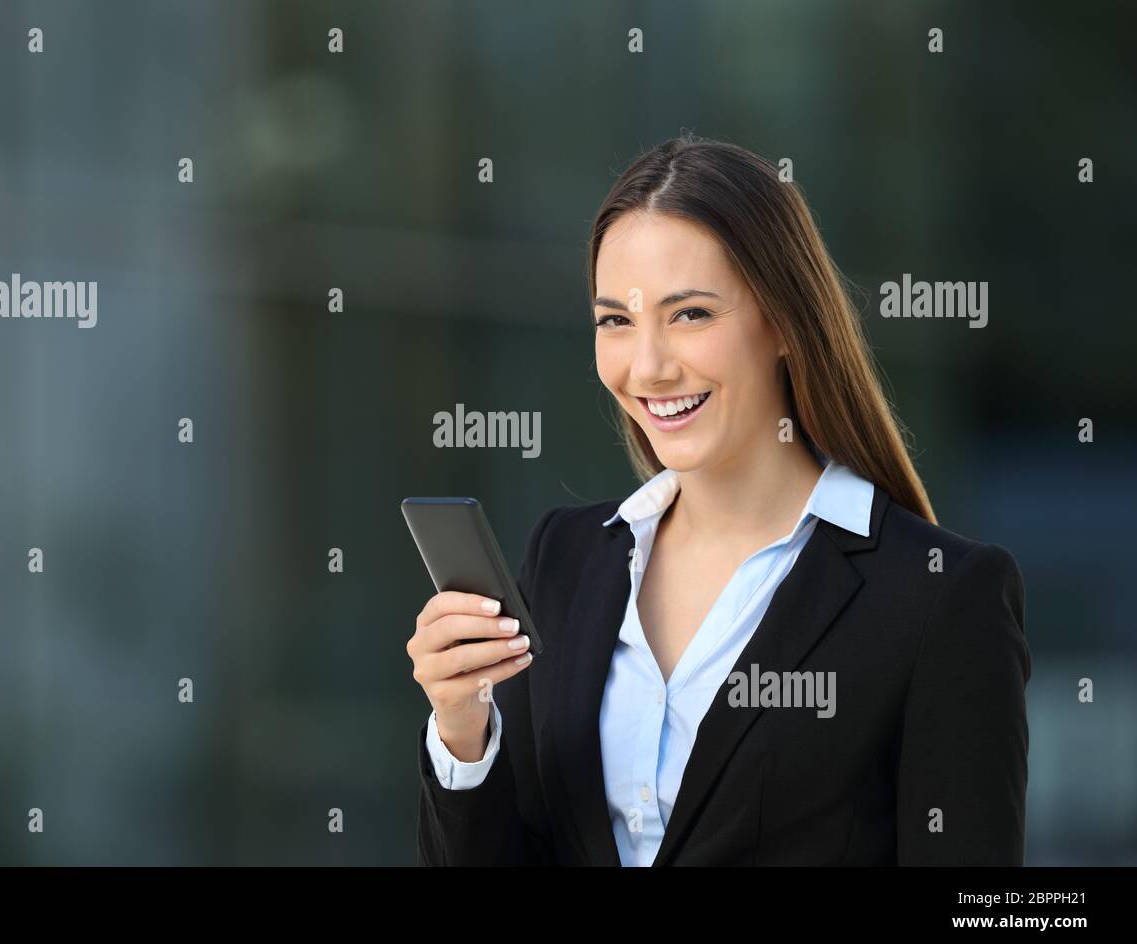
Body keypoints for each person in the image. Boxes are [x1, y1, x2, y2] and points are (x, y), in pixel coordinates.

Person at [407, 136, 1030, 866]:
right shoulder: (565, 560)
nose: (649, 366)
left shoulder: (938, 598)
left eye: (691, 314)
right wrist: (461, 728)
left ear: (785, 321)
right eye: (616, 320)